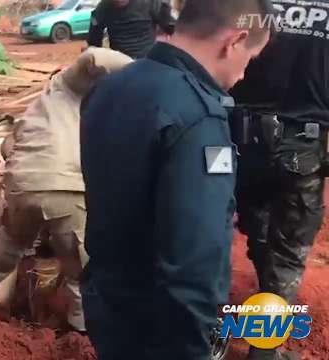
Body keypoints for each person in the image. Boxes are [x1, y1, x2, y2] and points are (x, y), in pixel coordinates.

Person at [79, 0, 272, 358]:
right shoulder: (197, 114)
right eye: (250, 59)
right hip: (161, 329)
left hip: (107, 305)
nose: (245, 74)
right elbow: (194, 259)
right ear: (235, 40)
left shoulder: (109, 88)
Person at [0, 48, 133, 332]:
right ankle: (77, 334)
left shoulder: (37, 112)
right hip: (62, 188)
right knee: (80, 267)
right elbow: (94, 57)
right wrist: (149, 72)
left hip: (21, 186)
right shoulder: (66, 86)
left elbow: (7, 147)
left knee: (11, 240)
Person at [230, 1, 329, 359]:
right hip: (303, 145)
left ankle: (266, 294)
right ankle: (264, 351)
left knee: (259, 229)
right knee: (288, 254)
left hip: (246, 139)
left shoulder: (250, 5)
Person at [86, 0, 176, 58]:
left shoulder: (150, 3)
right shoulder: (103, 8)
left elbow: (172, 28)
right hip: (119, 62)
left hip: (147, 60)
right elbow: (93, 40)